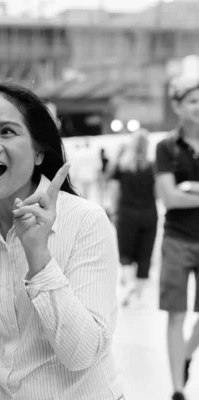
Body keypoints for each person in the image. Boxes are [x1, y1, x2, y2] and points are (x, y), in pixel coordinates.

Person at [0, 79, 123, 399]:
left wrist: (38, 255)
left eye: (7, 131)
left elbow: (82, 355)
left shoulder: (84, 221)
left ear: (39, 152)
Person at [154, 73, 199, 400]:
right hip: (177, 239)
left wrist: (190, 190)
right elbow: (169, 198)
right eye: (193, 101)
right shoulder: (166, 147)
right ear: (178, 106)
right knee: (176, 314)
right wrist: (180, 192)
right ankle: (178, 389)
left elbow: (180, 193)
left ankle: (186, 353)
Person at [107, 129, 158, 306]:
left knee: (126, 251)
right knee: (145, 254)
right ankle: (138, 293)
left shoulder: (122, 166)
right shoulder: (153, 166)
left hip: (127, 213)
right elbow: (157, 192)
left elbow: (114, 190)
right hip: (149, 213)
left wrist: (113, 211)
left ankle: (128, 284)